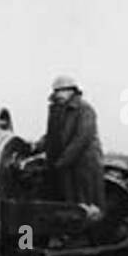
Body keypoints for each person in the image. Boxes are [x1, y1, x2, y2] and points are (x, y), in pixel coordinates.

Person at [32, 74, 105, 211]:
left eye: (62, 90)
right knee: (65, 203)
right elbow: (52, 136)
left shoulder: (85, 109)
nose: (58, 94)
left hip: (83, 164)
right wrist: (35, 146)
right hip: (64, 164)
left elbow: (82, 139)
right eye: (56, 91)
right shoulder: (57, 110)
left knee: (84, 203)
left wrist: (62, 162)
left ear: (72, 91)